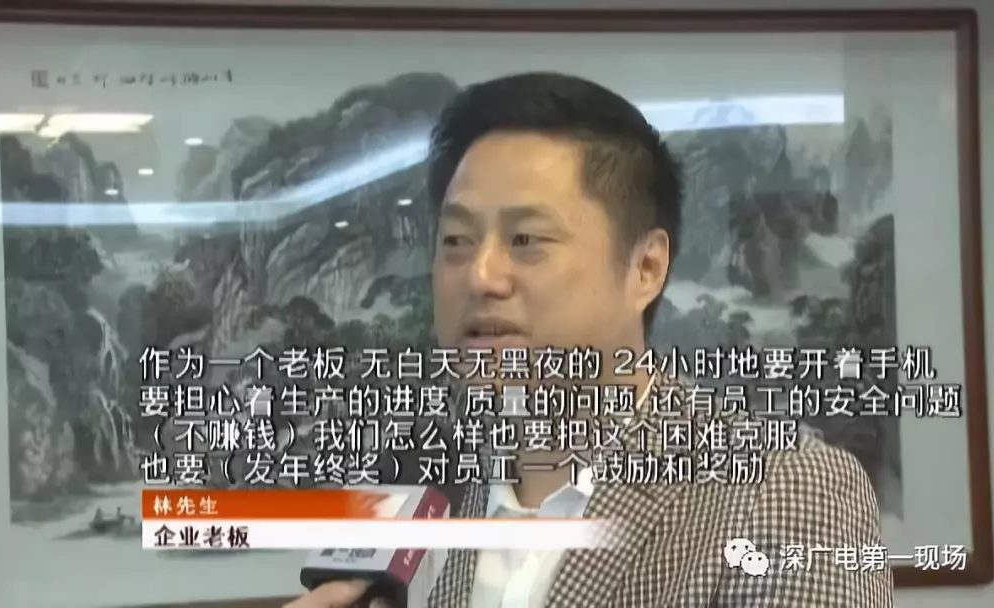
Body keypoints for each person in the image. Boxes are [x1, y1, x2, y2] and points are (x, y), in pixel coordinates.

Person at [285, 72, 893, 607]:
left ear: (646, 268)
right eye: (456, 241)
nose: (480, 275)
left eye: (527, 239)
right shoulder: (430, 492)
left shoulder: (782, 488)